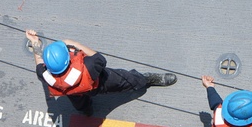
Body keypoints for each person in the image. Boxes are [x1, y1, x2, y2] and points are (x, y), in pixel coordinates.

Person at [25, 29, 176, 116]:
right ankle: (145, 80)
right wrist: (74, 43)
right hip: (99, 83)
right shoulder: (89, 66)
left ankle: (86, 111)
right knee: (126, 79)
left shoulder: (45, 75)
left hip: (73, 92)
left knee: (80, 103)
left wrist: (34, 43)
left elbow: (39, 61)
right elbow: (100, 59)